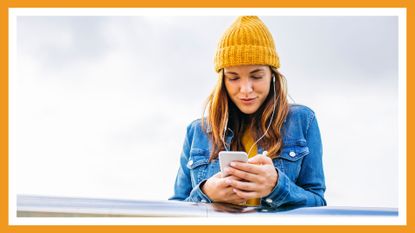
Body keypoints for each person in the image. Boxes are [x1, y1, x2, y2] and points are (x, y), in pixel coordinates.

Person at [169, 16, 326, 209]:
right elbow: (176, 207)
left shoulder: (303, 121)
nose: (245, 89)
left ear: (272, 76)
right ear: (222, 81)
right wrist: (206, 193)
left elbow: (318, 202)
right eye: (233, 78)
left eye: (256, 76)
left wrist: (277, 186)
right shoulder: (197, 131)